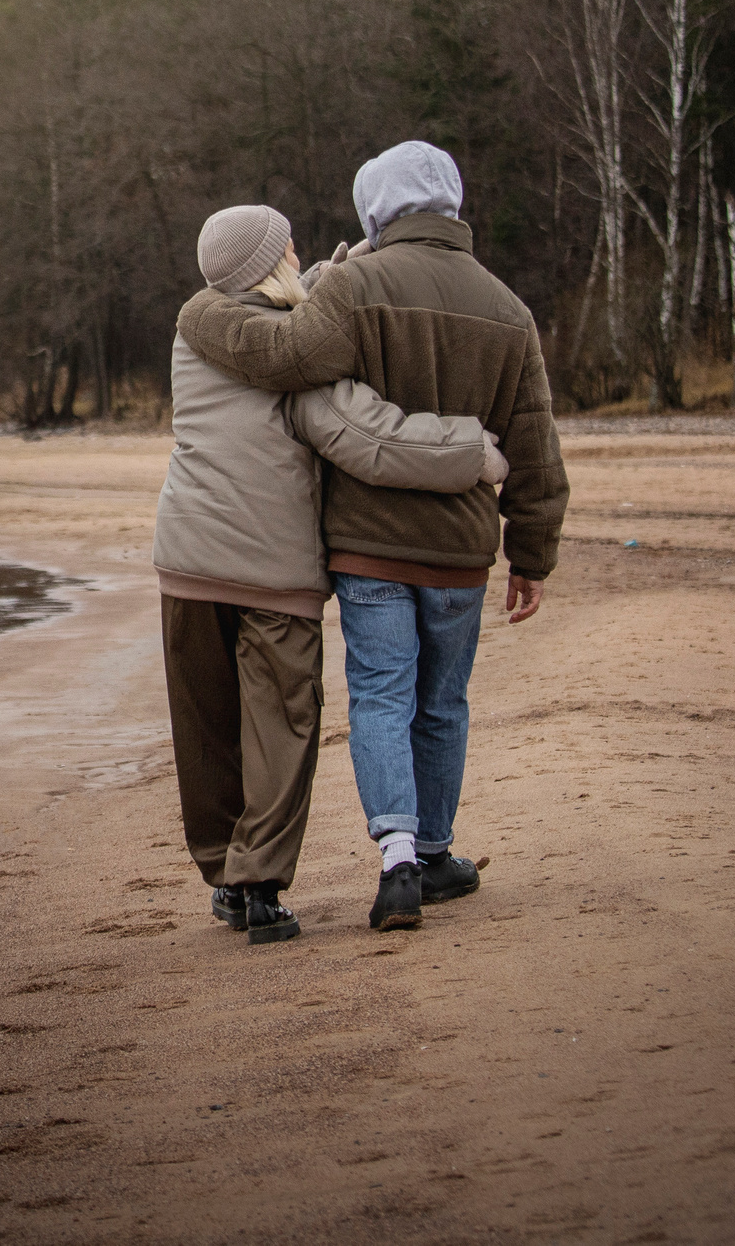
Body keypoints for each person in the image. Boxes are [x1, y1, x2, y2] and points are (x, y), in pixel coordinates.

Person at [175, 143, 570, 933]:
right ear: (453, 203)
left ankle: (393, 855)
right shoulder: (510, 309)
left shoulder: (355, 287)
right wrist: (532, 551)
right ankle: (433, 850)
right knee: (443, 703)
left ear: (374, 208)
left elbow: (289, 354)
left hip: (366, 547)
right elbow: (537, 441)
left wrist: (200, 309)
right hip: (462, 552)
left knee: (382, 697)